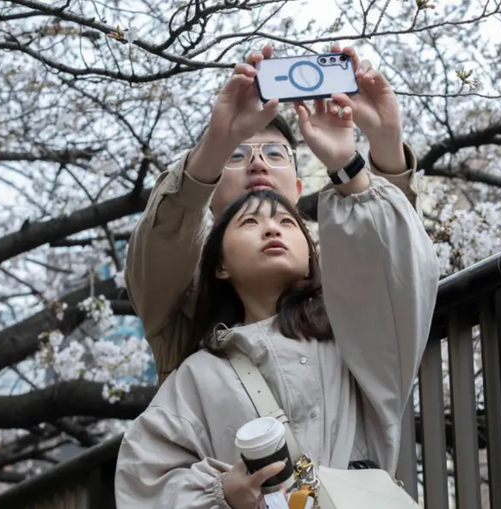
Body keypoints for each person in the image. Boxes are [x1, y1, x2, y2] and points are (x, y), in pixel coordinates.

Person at [115, 179, 439, 506]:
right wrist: (222, 491)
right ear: (221, 266)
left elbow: (403, 273)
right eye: (250, 222)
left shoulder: (352, 337)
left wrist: (350, 172)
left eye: (286, 222)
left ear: (311, 258)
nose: (272, 230)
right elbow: (143, 475)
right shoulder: (200, 374)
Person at [124, 43, 423, 385]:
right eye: (236, 155)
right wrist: (218, 141)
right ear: (209, 192)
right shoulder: (183, 294)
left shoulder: (338, 274)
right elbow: (163, 237)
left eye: (274, 153)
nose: (258, 163)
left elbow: (399, 264)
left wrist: (384, 141)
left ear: (297, 189)